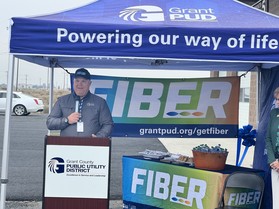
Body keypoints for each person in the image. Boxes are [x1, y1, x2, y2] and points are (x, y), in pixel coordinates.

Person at [46, 68, 114, 138]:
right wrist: (67, 120)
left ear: (89, 83)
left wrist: (99, 137)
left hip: (91, 146)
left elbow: (108, 124)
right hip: (66, 145)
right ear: (73, 82)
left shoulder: (100, 102)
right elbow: (50, 123)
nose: (79, 84)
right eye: (77, 81)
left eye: (83, 81)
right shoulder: (62, 101)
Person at [265, 86, 279, 209]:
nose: (277, 102)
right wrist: (272, 160)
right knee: (276, 199)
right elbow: (268, 138)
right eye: (276, 99)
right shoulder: (274, 113)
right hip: (275, 163)